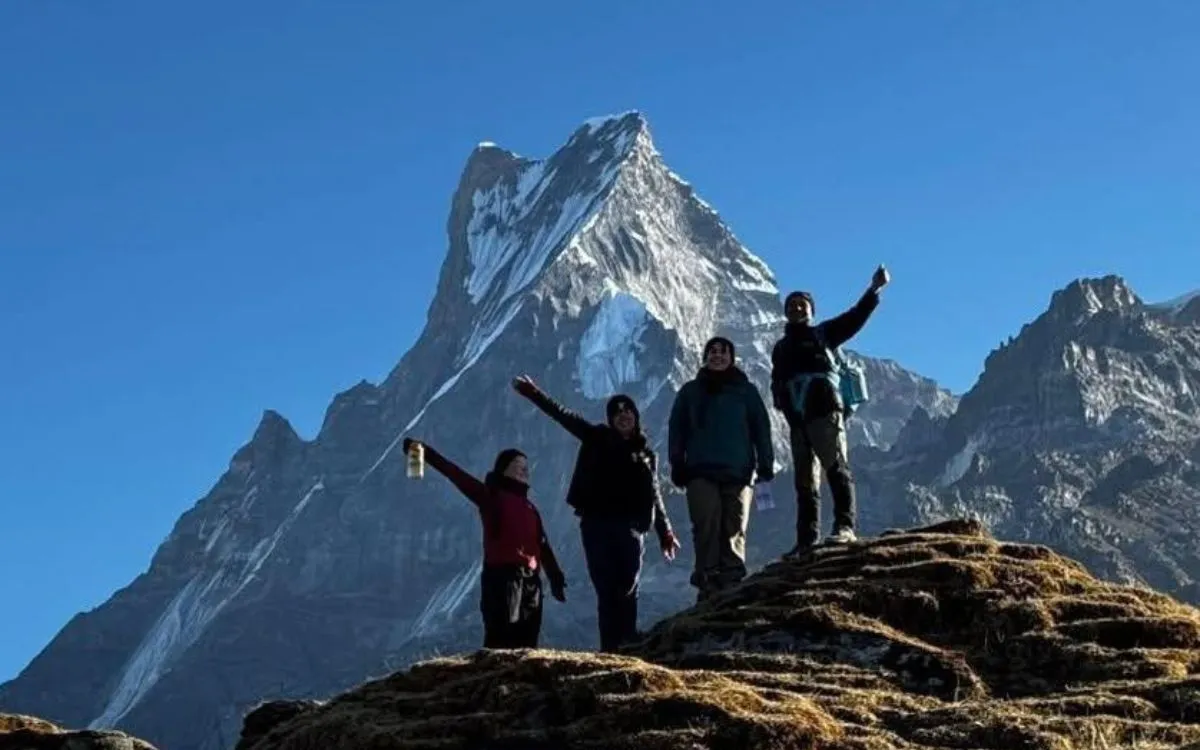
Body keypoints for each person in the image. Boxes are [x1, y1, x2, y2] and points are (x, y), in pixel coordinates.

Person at [511, 375, 681, 653]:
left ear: (636, 418)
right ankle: (612, 647)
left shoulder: (647, 454)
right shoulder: (598, 437)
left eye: (628, 412)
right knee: (606, 586)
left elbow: (655, 495)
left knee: (629, 583)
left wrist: (665, 531)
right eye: (618, 412)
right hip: (598, 524)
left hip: (632, 527)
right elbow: (564, 416)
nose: (624, 416)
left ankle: (628, 640)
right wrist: (534, 394)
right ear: (611, 420)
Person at [769, 264, 890, 557]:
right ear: (786, 312)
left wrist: (873, 290)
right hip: (797, 421)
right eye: (793, 305)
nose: (797, 308)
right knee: (805, 482)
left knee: (836, 468)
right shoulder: (780, 348)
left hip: (825, 412)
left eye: (803, 304)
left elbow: (854, 318)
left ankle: (844, 526)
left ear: (812, 311)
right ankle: (806, 540)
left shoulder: (824, 334)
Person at [400, 437, 567, 649]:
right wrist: (423, 452)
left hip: (531, 582)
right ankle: (498, 680)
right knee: (501, 638)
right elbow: (455, 474)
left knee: (528, 641)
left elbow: (542, 544)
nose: (524, 471)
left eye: (526, 467)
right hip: (503, 577)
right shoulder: (492, 496)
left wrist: (555, 576)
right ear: (503, 470)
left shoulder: (531, 508)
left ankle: (521, 681)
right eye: (518, 467)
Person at [667, 336, 775, 603]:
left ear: (732, 357)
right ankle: (707, 580)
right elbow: (676, 430)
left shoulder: (746, 391)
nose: (717, 356)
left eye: (723, 352)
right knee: (706, 525)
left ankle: (732, 580)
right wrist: (677, 464)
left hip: (738, 473)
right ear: (705, 357)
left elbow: (761, 428)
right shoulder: (690, 392)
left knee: (735, 525)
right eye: (712, 351)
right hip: (700, 472)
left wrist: (766, 465)